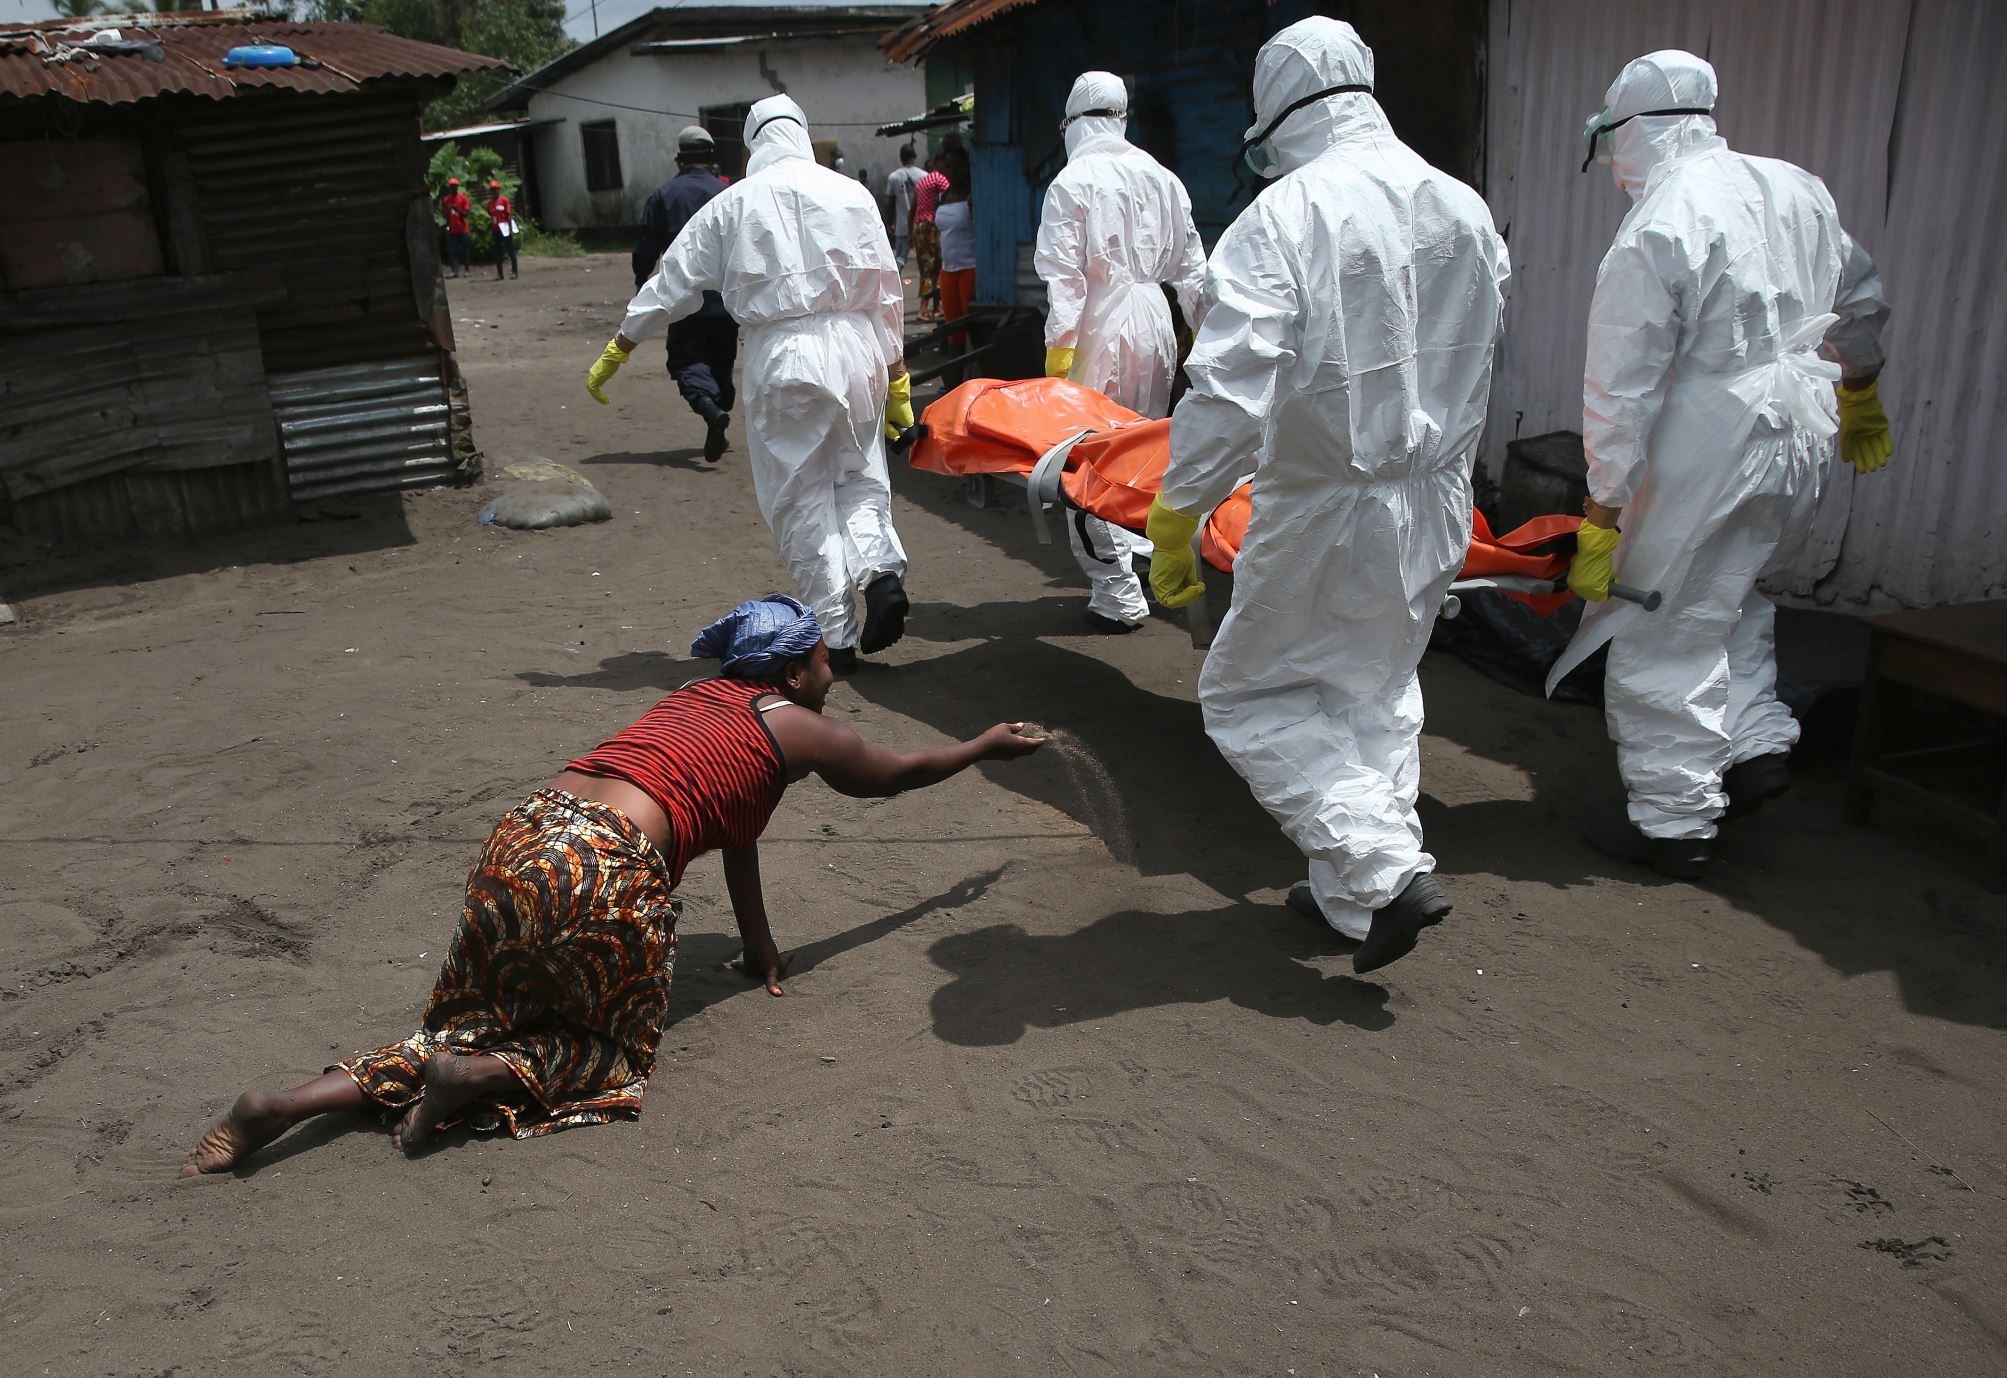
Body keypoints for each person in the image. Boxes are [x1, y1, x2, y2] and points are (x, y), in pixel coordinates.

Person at [181, 595, 1045, 1176]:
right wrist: (979, 747)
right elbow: (892, 774)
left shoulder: (696, 698)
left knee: (470, 1015)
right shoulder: (801, 728)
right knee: (604, 1052)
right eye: (824, 659)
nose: (831, 672)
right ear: (790, 674)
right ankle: (473, 1081)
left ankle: (288, 1101)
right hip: (605, 865)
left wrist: (758, 944)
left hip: (525, 835)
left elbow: (734, 830)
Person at [1147, 17, 1510, 975]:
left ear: (1272, 113)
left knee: (1246, 694)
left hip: (1327, 500)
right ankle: (1357, 903)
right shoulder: (1463, 206)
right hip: (1433, 495)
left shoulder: (1287, 214)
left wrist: (1181, 508)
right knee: (1374, 688)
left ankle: (1383, 869)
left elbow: (1230, 389)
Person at [1552, 50, 1891, 878]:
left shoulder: (1663, 217)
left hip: (1710, 440)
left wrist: (1602, 508)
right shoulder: (1792, 186)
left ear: (1629, 130)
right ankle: (1754, 746)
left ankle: (1674, 822)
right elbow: (1861, 296)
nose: (1610, 168)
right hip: (1798, 424)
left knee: (1656, 624)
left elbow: (1621, 384)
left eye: (1607, 147)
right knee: (1727, 595)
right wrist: (1860, 387)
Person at [586, 96, 917, 674]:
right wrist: (898, 379)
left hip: (783, 355)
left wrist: (624, 341)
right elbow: (886, 290)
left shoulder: (731, 204)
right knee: (860, 477)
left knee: (801, 495)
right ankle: (881, 574)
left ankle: (835, 640)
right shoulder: (852, 194)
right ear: (802, 134)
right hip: (857, 347)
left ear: (752, 144)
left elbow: (673, 279)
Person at [1035, 70, 1208, 633]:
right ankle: (1141, 565)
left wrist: (1059, 352)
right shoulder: (1163, 178)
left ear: (1073, 122)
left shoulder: (1072, 182)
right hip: (1154, 319)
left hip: (1098, 325)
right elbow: (1194, 271)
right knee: (1142, 447)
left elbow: (1066, 280)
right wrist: (1203, 336)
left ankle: (1116, 591)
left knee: (1085, 458)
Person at [632, 126, 738, 463]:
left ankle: (709, 410)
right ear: (711, 158)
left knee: (687, 361)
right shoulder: (729, 194)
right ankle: (718, 410)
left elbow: (646, 247)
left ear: (680, 158)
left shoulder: (664, 195)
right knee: (722, 363)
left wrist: (641, 282)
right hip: (727, 300)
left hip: (683, 300)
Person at [933, 144, 976, 356]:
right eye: (947, 166)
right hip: (947, 271)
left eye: (955, 166)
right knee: (953, 331)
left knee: (971, 330)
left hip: (969, 269)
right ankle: (955, 385)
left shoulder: (972, 196)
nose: (950, 171)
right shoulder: (942, 197)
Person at [910, 153, 949, 322]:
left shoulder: (922, 182)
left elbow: (913, 207)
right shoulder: (938, 179)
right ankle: (927, 309)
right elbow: (952, 193)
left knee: (926, 266)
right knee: (936, 265)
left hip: (919, 226)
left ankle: (934, 308)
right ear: (938, 162)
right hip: (930, 226)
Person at [887, 143, 924, 268]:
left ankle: (895, 283)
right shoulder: (924, 176)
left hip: (902, 225)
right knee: (924, 259)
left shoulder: (894, 177)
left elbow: (891, 203)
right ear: (915, 156)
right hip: (921, 224)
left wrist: (890, 222)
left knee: (900, 257)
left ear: (901, 157)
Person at [486, 179, 519, 280]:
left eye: (495, 189)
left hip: (505, 228)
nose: (494, 192)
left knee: (510, 250)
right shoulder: (490, 203)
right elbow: (490, 215)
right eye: (492, 190)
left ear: (499, 190)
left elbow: (508, 215)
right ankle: (500, 274)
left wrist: (510, 229)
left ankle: (514, 272)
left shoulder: (504, 201)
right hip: (495, 230)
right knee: (497, 252)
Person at [442, 177, 472, 279]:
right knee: (453, 251)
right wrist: (447, 227)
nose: (453, 188)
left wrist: (458, 210)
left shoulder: (463, 198)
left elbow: (466, 214)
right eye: (451, 186)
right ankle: (455, 271)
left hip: (462, 229)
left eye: (454, 186)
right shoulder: (446, 200)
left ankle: (467, 269)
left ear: (457, 187)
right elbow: (446, 215)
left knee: (465, 250)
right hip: (452, 230)